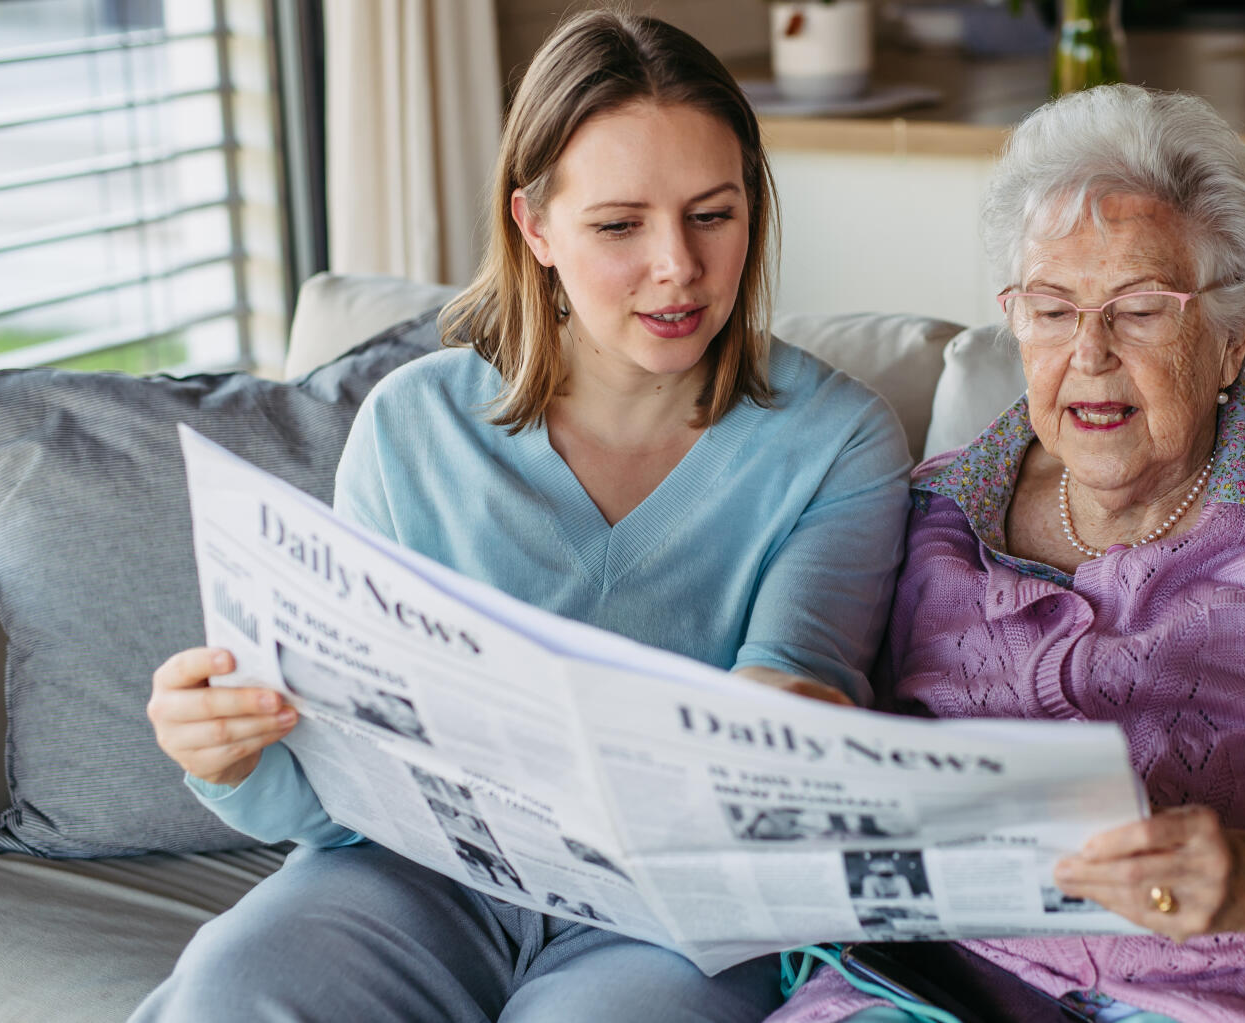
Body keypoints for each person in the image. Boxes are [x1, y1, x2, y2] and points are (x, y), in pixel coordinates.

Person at [135, 13, 911, 1022]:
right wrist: (228, 753)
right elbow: (338, 793)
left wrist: (793, 729)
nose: (676, 265)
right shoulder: (413, 425)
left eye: (711, 215)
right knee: (231, 985)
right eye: (619, 225)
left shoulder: (837, 441)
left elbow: (792, 690)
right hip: (417, 877)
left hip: (669, 910)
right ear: (535, 229)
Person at [773, 84, 1245, 1023]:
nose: (1087, 353)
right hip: (945, 991)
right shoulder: (930, 511)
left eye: (1137, 310)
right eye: (1052, 310)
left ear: (1229, 342)